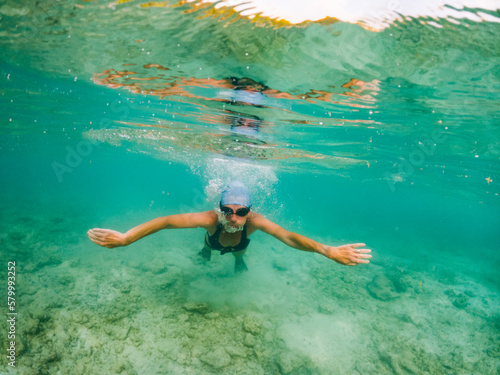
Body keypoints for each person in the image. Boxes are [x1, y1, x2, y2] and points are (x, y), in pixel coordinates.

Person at [88, 181, 372, 273]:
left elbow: (288, 237)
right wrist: (127, 237)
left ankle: (237, 263)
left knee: (239, 253)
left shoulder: (255, 223)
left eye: (241, 212)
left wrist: (328, 251)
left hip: (240, 246)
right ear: (219, 209)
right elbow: (165, 222)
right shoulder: (211, 220)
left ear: (250, 212)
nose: (234, 218)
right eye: (227, 211)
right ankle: (206, 253)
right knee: (208, 244)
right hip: (212, 240)